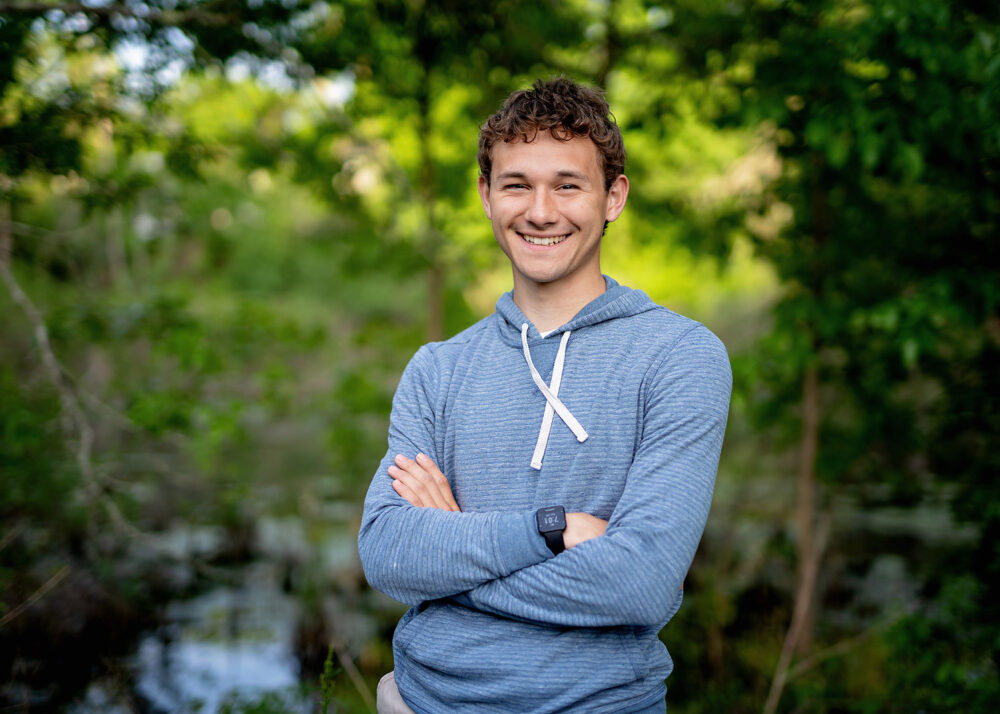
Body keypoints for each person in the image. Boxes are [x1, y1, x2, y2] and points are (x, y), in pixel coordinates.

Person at [358, 77, 732, 714]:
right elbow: (389, 552)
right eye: (516, 184)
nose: (540, 211)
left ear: (613, 197)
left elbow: (639, 585)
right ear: (485, 196)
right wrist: (548, 531)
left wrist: (453, 554)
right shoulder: (437, 369)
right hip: (421, 703)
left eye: (567, 184)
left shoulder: (680, 356)